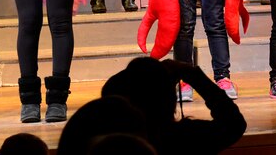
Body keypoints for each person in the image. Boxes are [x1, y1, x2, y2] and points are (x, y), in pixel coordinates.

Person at [102, 57, 246, 153]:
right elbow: (234, 124)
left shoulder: (110, 144)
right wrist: (193, 74)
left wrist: (140, 71)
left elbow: (110, 89)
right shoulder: (184, 137)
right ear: (169, 100)